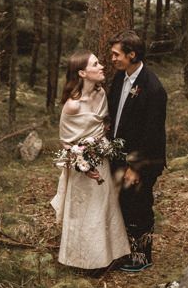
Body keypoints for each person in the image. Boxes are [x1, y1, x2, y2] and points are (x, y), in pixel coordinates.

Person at [51, 50, 130, 270]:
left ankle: (106, 257)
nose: (102, 66)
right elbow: (66, 143)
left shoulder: (101, 93)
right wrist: (83, 165)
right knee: (85, 213)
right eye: (96, 64)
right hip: (82, 167)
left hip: (102, 160)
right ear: (83, 73)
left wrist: (101, 151)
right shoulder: (72, 106)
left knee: (104, 208)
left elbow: (103, 128)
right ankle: (82, 261)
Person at [107, 30, 167, 273]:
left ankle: (143, 257)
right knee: (124, 203)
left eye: (116, 54)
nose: (112, 58)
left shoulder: (153, 89)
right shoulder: (120, 78)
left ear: (132, 55)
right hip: (120, 154)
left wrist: (136, 167)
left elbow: (152, 134)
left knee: (140, 205)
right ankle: (125, 251)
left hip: (143, 160)